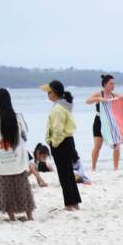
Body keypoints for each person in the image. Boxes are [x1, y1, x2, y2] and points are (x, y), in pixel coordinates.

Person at [0, 87, 35, 222]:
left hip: (0, 159)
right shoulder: (17, 117)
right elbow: (24, 136)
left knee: (5, 188)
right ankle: (29, 215)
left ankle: (12, 216)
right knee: (22, 187)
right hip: (17, 158)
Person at [42, 80, 81, 211]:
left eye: (49, 92)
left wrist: (53, 143)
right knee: (68, 173)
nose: (48, 94)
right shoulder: (63, 105)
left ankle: (69, 204)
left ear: (54, 93)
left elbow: (58, 130)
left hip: (61, 143)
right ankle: (74, 202)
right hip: (67, 141)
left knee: (64, 174)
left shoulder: (58, 108)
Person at [85, 73, 123, 171]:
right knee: (97, 146)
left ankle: (115, 168)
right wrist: (99, 99)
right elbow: (88, 101)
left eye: (114, 84)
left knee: (117, 145)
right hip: (99, 121)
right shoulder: (99, 94)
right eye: (111, 84)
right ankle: (93, 168)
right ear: (105, 84)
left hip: (112, 122)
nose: (113, 86)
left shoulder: (115, 95)